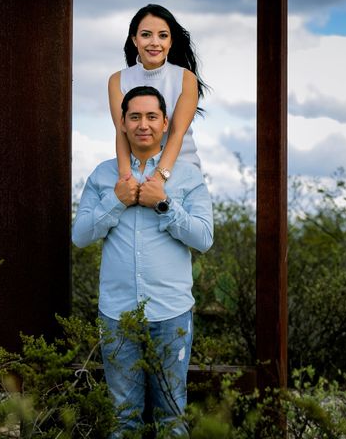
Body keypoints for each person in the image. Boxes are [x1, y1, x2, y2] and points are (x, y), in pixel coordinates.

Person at [72, 86, 214, 437]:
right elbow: (80, 236)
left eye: (152, 117)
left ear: (165, 123)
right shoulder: (105, 176)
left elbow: (204, 238)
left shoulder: (188, 176)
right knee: (123, 419)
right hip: (117, 315)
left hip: (171, 313)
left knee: (172, 418)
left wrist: (164, 204)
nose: (143, 124)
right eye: (134, 116)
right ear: (122, 123)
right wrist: (116, 202)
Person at [108, 4, 208, 187]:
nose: (155, 42)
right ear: (134, 39)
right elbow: (121, 132)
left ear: (171, 41)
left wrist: (158, 180)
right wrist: (125, 178)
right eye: (146, 34)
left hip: (180, 168)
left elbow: (177, 134)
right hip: (135, 171)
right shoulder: (117, 80)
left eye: (163, 35)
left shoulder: (186, 78)